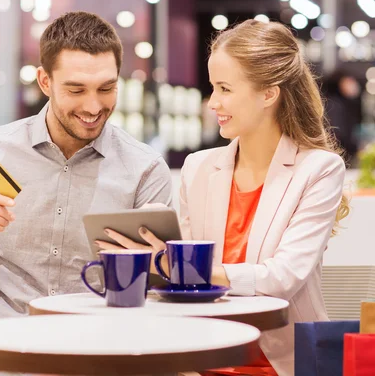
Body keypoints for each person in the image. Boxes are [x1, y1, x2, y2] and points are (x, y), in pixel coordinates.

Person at [99, 20, 349, 376]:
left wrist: (187, 268)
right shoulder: (198, 168)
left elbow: (281, 279)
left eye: (225, 89)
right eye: (213, 87)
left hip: (285, 365)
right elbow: (183, 284)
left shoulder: (319, 170)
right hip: (204, 357)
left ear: (268, 94)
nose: (213, 102)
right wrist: (151, 261)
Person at [0, 11, 173, 375]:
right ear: (45, 81)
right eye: (76, 90)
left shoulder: (145, 169)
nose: (93, 107)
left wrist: (159, 271)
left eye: (106, 88)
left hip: (102, 360)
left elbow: (162, 299)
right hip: (3, 360)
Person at [323, 69, 362, 166]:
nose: (354, 86)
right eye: (349, 82)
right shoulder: (335, 105)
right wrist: (355, 148)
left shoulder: (342, 103)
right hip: (340, 157)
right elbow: (338, 133)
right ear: (340, 83)